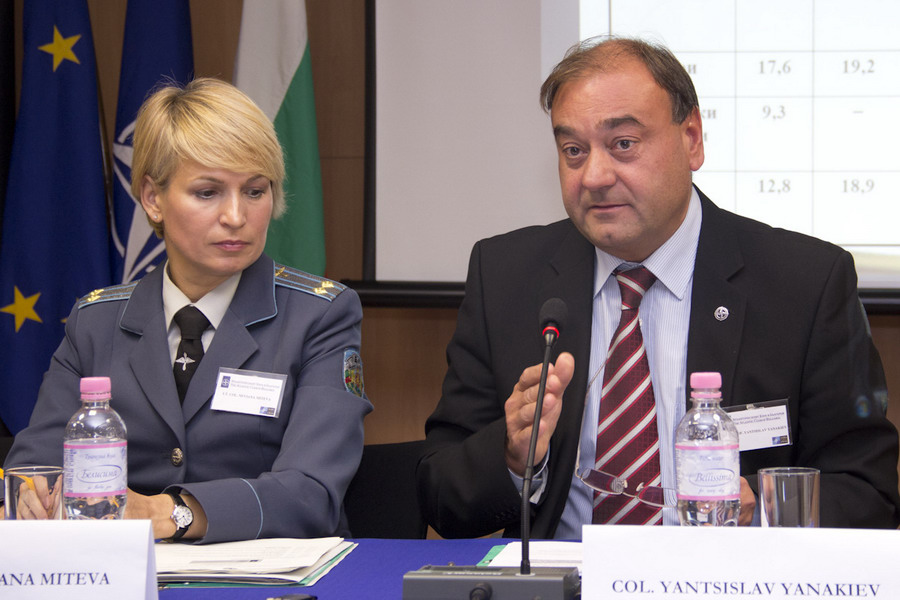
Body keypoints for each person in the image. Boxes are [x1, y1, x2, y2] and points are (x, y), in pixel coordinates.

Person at [416, 37, 900, 539]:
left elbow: (869, 492)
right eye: (573, 151)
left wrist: (760, 509)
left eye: (623, 144)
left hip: (728, 575)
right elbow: (440, 493)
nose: (594, 176)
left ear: (692, 139)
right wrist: (513, 458)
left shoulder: (804, 283)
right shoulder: (506, 276)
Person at [4, 78, 372, 542]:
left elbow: (311, 493)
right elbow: (35, 466)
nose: (236, 217)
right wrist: (32, 496)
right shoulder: (96, 321)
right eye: (207, 192)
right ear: (152, 198)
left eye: (255, 191)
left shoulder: (319, 316)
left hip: (269, 572)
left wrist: (169, 512)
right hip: (117, 570)